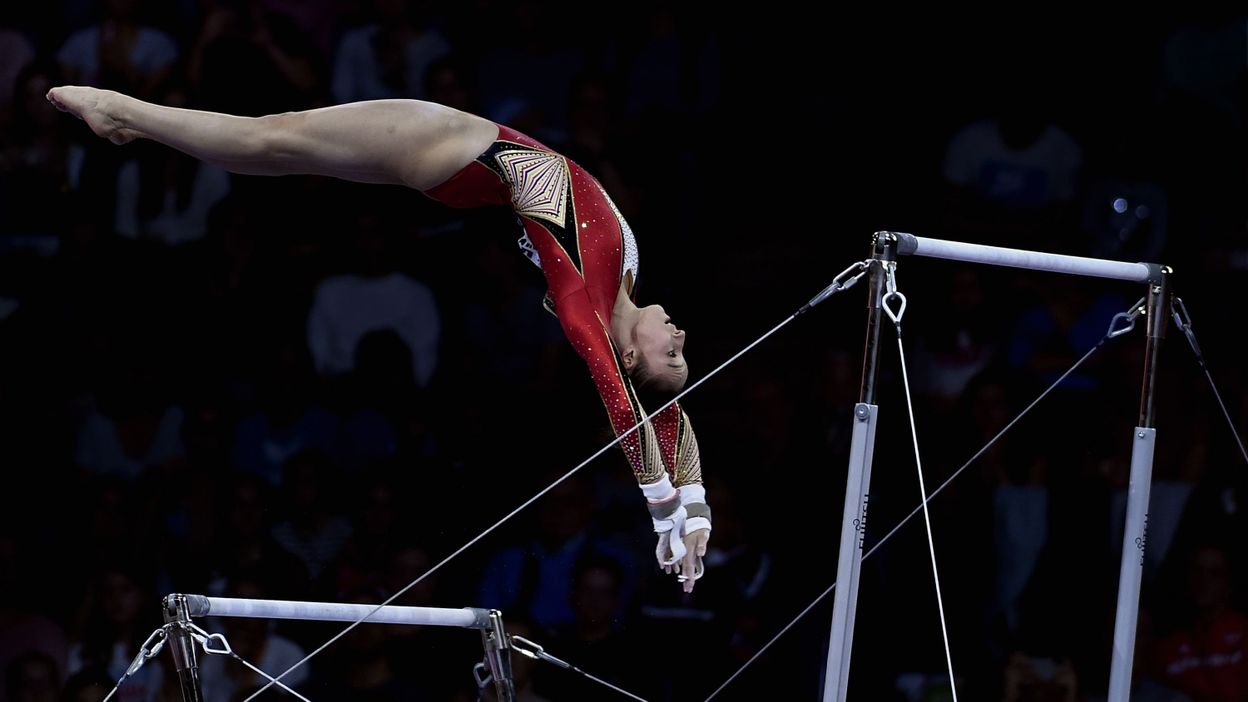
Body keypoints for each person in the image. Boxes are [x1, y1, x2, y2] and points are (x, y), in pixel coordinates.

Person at [46, 85, 711, 590]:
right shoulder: (623, 280)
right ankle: (130, 119)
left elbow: (623, 404)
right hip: (463, 166)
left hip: (452, 146)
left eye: (670, 351)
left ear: (630, 354)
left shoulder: (582, 307)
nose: (680, 334)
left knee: (275, 139)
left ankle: (122, 113)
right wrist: (696, 511)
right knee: (278, 152)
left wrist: (659, 510)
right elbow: (664, 413)